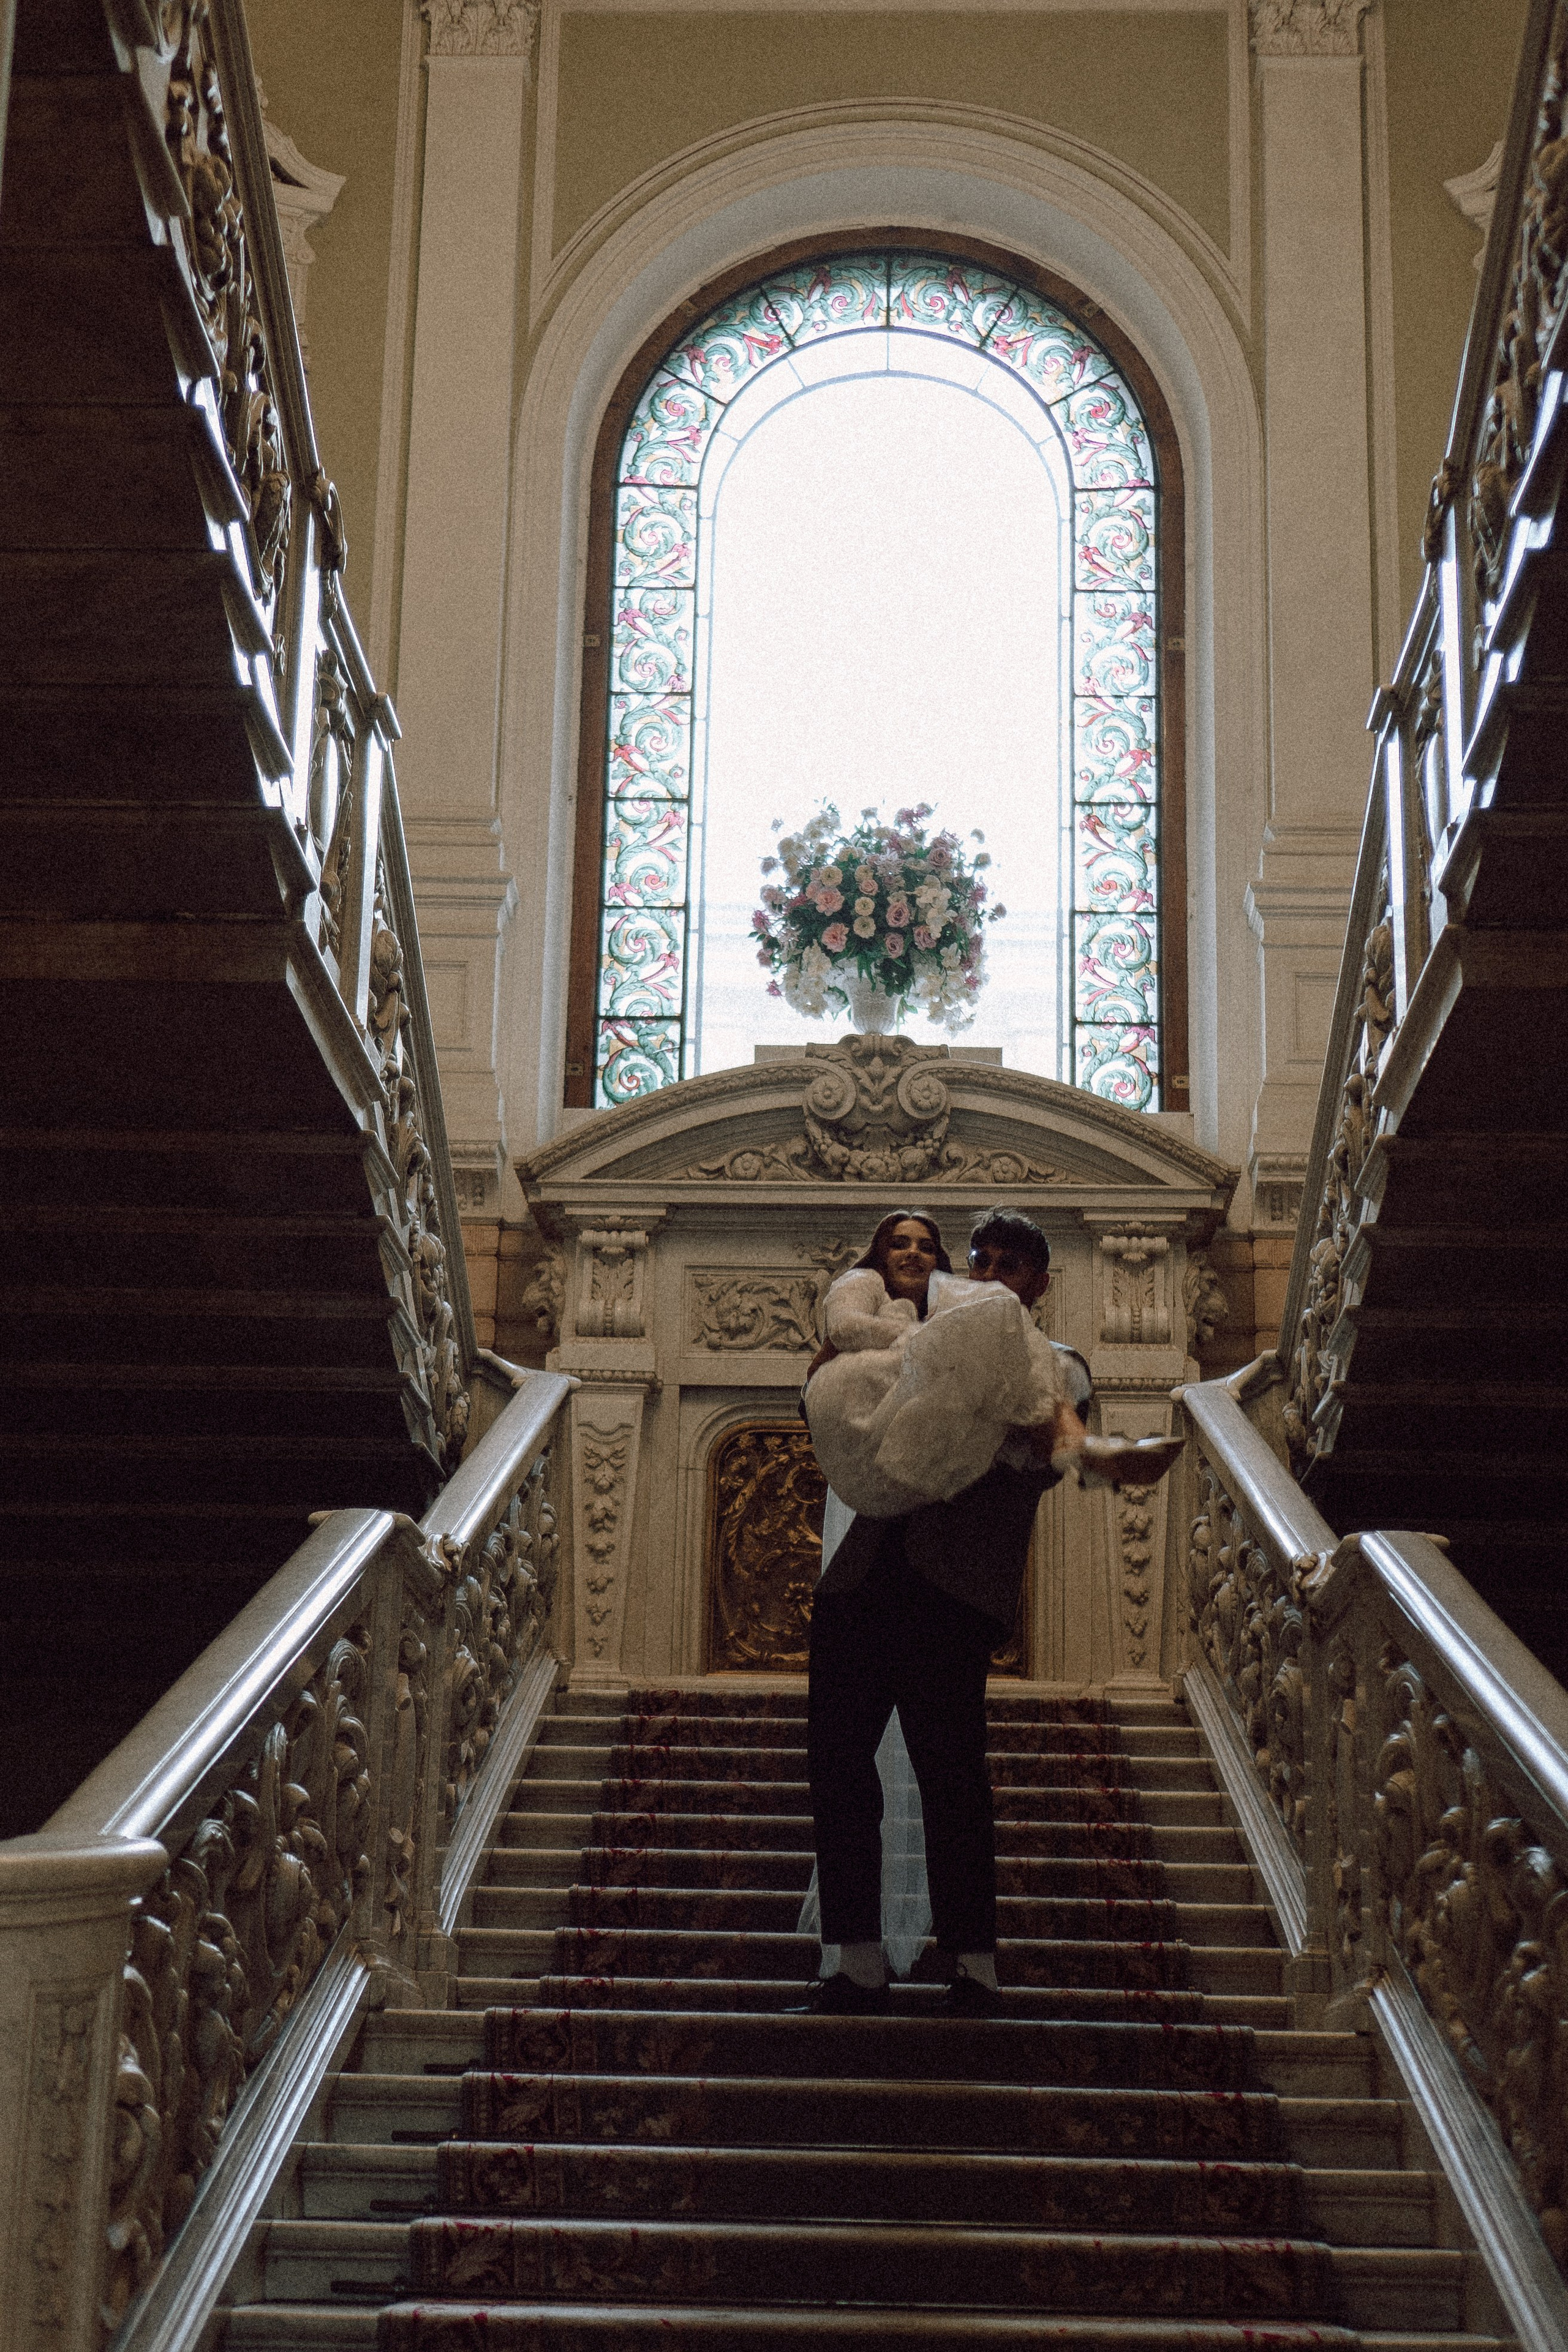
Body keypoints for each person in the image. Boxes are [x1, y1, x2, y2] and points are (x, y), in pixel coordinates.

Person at [796, 1205, 1180, 2019]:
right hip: (861, 1580)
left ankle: (973, 1964)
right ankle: (858, 1960)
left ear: (1039, 1283)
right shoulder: (924, 1343)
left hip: (952, 1590)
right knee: (837, 1768)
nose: (988, 1275)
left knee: (950, 1778)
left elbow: (1024, 1442)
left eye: (1009, 1265)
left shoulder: (1057, 1365)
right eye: (979, 1261)